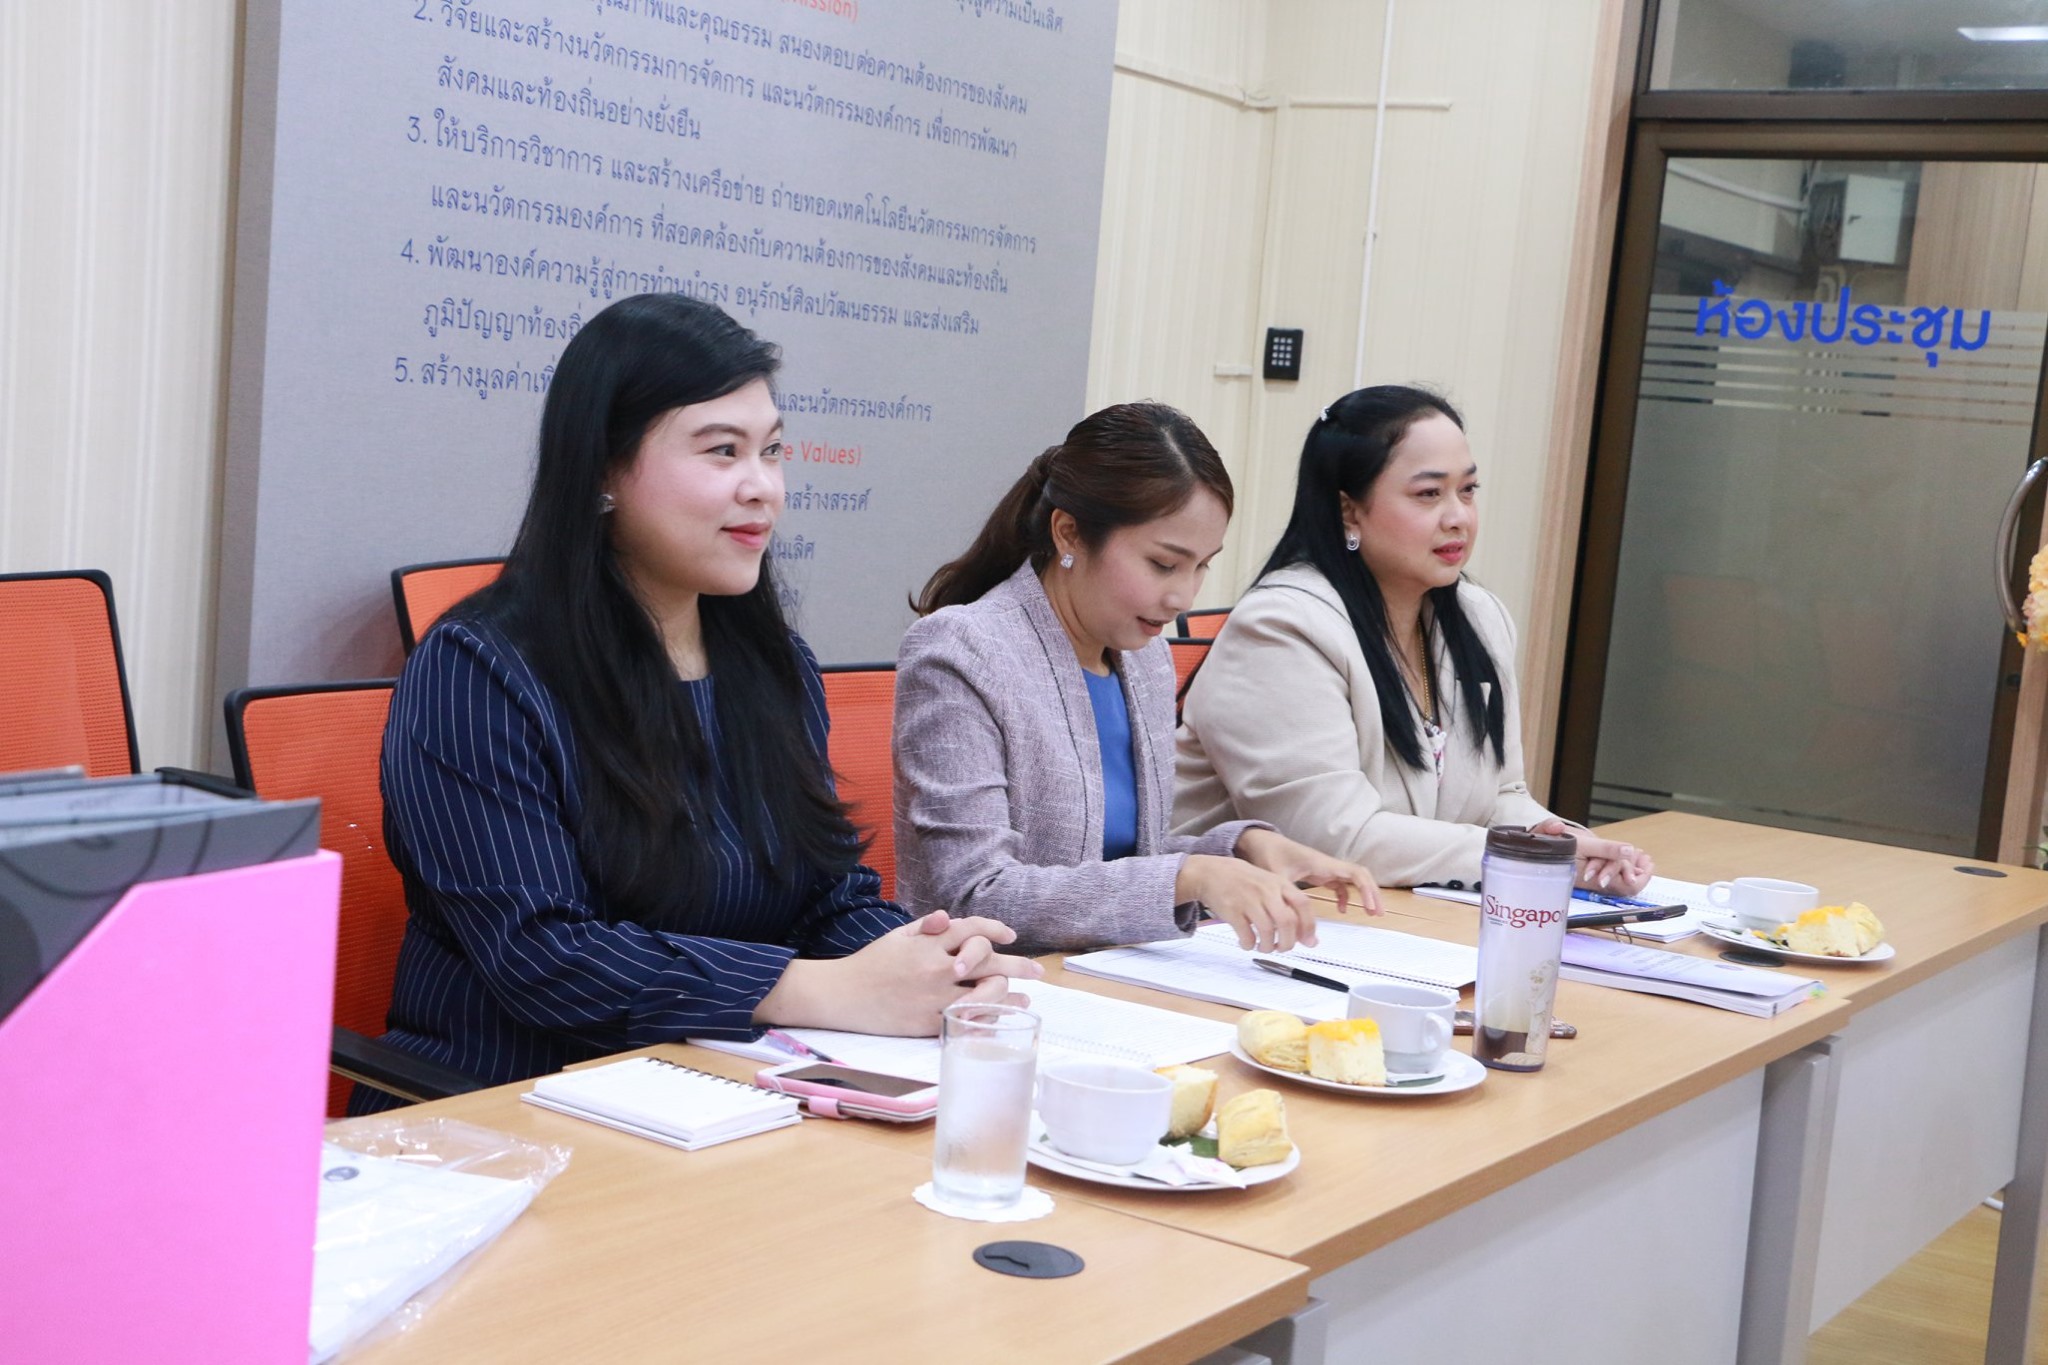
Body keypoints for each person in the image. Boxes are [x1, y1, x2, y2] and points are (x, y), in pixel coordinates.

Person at [358, 294, 1035, 1113]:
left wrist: (928, 963)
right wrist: (822, 990)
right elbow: (543, 956)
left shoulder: (774, 663)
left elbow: (823, 896)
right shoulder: (478, 669)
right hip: (503, 1107)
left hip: (721, 1093)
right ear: (603, 470)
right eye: (723, 451)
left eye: (772, 451)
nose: (764, 488)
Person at [893, 401, 1379, 956]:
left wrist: (1242, 849)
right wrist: (1191, 877)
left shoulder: (1145, 658)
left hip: (1105, 976)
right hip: (988, 986)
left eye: (1202, 565)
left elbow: (1113, 858)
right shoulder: (962, 652)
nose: (1183, 596)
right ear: (1069, 534)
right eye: (1163, 564)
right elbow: (977, 896)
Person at [1174, 385, 1654, 893]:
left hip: (1395, 915)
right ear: (1349, 510)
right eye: (1429, 494)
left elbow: (1501, 796)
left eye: (1467, 490)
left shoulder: (1479, 617)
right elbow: (1331, 841)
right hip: (1250, 922)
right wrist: (1519, 857)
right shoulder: (1281, 628)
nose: (1458, 517)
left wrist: (1560, 843)